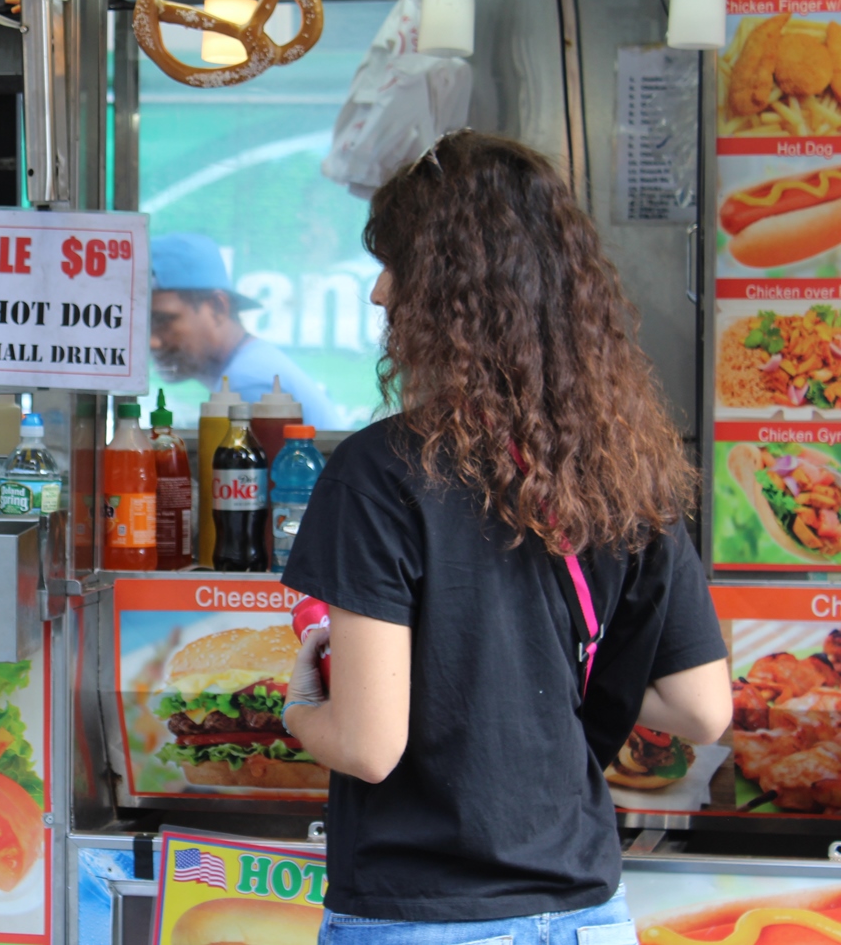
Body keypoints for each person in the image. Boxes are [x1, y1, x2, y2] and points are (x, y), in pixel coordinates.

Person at [278, 132, 730, 943]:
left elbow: (369, 745)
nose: (380, 293)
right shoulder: (633, 467)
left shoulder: (379, 473)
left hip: (426, 915)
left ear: (448, 294)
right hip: (590, 913)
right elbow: (701, 709)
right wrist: (532, 688)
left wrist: (302, 706)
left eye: (398, 266)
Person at [148, 232, 342, 428]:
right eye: (142, 325)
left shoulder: (246, 385)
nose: (151, 341)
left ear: (217, 307)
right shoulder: (248, 367)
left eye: (163, 320)